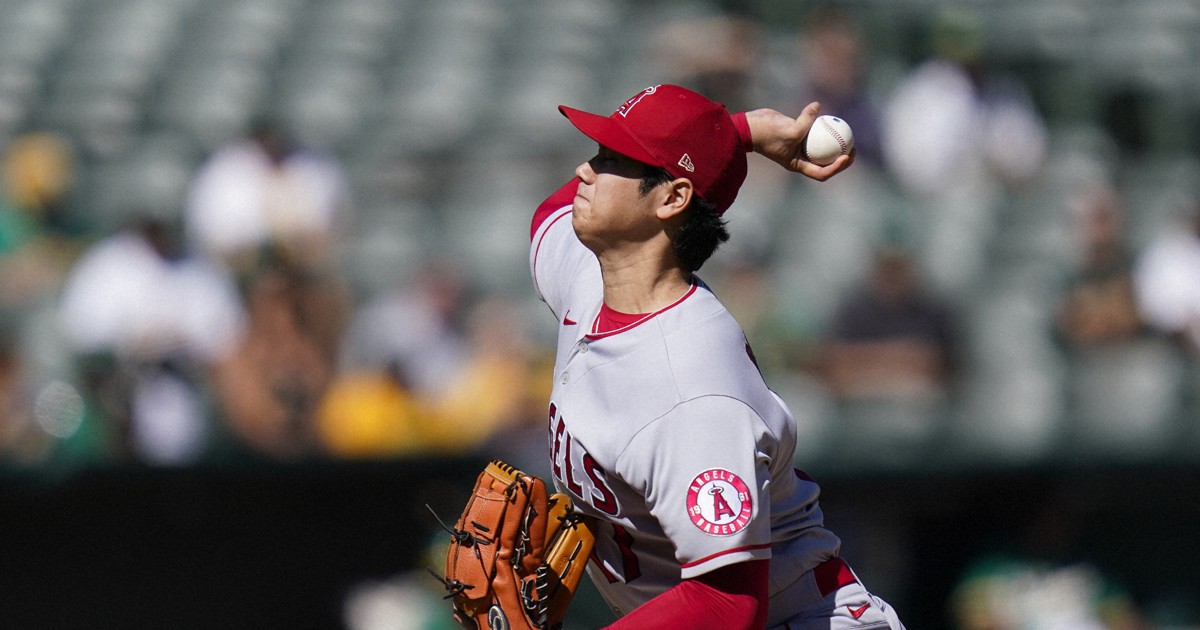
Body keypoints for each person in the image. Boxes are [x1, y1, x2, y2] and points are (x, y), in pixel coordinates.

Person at [529, 84, 904, 628]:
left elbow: (728, 604)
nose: (585, 171)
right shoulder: (593, 276)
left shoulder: (692, 387)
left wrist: (721, 140)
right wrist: (736, 133)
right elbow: (549, 213)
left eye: (613, 159)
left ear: (672, 198)